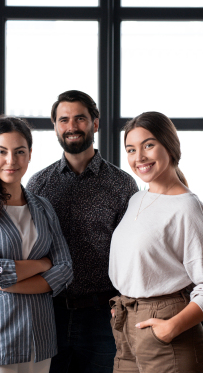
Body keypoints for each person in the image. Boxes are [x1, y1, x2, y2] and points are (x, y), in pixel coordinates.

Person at [108, 111, 203, 373]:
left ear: (171, 147)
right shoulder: (137, 199)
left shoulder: (189, 208)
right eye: (131, 149)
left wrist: (170, 328)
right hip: (127, 326)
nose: (138, 157)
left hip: (167, 332)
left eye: (148, 145)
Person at [27, 90, 139, 373]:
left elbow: (132, 254)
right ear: (55, 126)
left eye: (80, 118)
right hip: (49, 312)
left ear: (95, 124)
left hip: (103, 314)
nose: (72, 126)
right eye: (63, 119)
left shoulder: (122, 185)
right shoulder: (38, 184)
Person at [0, 116, 73, 373]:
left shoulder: (42, 206)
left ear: (30, 154)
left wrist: (9, 283)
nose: (11, 160)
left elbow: (64, 269)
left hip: (39, 337)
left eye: (20, 152)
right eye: (2, 152)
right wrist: (42, 264)